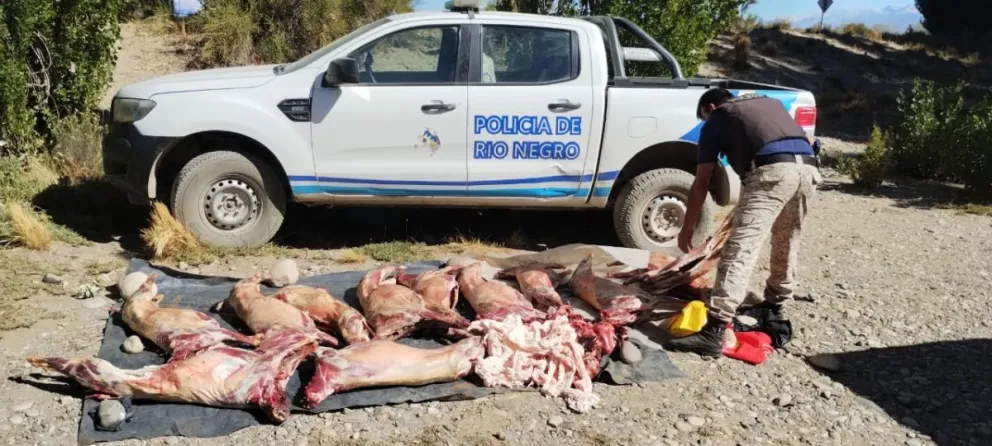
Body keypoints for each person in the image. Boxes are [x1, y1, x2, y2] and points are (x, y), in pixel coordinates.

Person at [664, 88, 822, 358]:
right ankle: (774, 309)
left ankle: (713, 331)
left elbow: (702, 181)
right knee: (787, 241)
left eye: (703, 119)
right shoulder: (767, 104)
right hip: (809, 170)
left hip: (771, 173)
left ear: (710, 108)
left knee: (740, 249)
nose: (705, 124)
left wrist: (687, 227)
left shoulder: (719, 116)